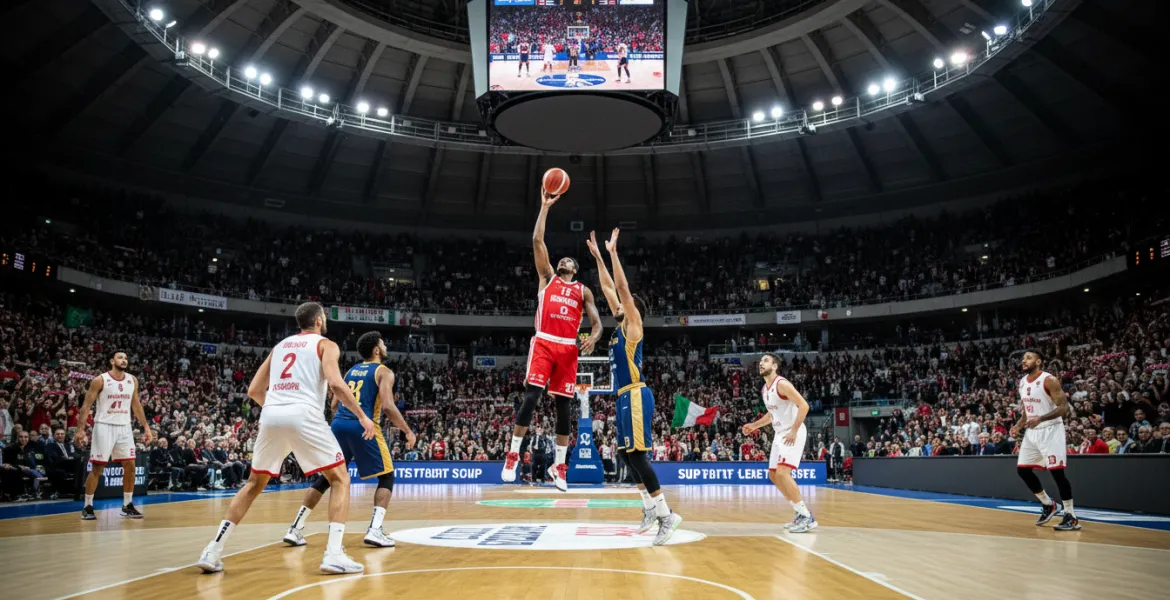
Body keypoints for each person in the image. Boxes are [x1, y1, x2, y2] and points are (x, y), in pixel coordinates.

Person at [196, 302, 378, 575]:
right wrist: (363, 416)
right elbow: (337, 384)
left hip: (271, 413)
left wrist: (278, 407)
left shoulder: (280, 346)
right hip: (303, 413)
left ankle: (212, 550)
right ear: (318, 320)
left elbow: (254, 390)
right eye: (324, 317)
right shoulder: (326, 344)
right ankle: (333, 554)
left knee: (253, 484)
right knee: (340, 478)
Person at [501, 186, 603, 491]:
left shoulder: (582, 290)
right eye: (564, 259)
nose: (566, 261)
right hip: (544, 342)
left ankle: (560, 467)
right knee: (531, 397)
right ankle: (513, 454)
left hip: (568, 350)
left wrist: (594, 338)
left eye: (571, 260)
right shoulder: (547, 278)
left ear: (576, 269)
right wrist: (544, 207)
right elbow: (537, 240)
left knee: (563, 407)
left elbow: (597, 323)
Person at [586, 228, 682, 545]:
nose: (616, 301)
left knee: (639, 457)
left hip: (638, 394)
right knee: (627, 458)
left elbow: (622, 288)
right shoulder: (618, 327)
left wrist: (613, 253)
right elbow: (608, 286)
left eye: (623, 303)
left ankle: (667, 515)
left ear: (631, 308)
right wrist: (599, 257)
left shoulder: (633, 326)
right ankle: (649, 509)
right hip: (623, 397)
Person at [283, 331, 416, 549]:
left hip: (339, 425)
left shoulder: (352, 371)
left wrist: (342, 423)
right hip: (364, 426)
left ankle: (295, 528)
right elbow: (388, 406)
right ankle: (375, 530)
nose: (385, 346)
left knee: (327, 477)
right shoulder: (384, 372)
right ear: (376, 350)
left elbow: (334, 403)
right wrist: (407, 431)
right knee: (387, 476)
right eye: (382, 343)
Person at [743, 353, 817, 533]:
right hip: (779, 433)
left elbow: (804, 405)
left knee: (783, 473)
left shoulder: (782, 384)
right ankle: (799, 513)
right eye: (760, 361)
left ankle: (807, 517)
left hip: (793, 431)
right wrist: (754, 426)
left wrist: (794, 430)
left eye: (766, 361)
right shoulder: (764, 389)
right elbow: (772, 414)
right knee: (774, 475)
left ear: (775, 366)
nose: (761, 363)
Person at [75, 350, 152, 520]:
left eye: (126, 357)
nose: (124, 360)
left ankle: (127, 504)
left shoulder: (133, 380)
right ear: (112, 361)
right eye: (120, 357)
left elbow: (137, 405)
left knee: (130, 465)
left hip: (124, 427)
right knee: (97, 467)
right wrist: (80, 429)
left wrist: (146, 426)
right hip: (104, 425)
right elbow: (86, 406)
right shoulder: (100, 380)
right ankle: (87, 506)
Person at [1011, 350, 1079, 531]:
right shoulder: (1023, 382)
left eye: (1029, 357)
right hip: (1032, 431)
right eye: (1023, 358)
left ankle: (1070, 516)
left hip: (1051, 429)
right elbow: (1027, 409)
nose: (1024, 361)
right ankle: (1049, 504)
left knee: (1057, 473)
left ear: (1039, 361)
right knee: (1023, 471)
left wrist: (1040, 418)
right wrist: (1018, 425)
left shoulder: (1050, 380)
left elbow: (1064, 408)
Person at [44, 428, 79, 496]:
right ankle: (63, 492)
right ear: (54, 436)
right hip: (56, 467)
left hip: (69, 466)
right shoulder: (50, 446)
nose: (60, 435)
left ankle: (78, 491)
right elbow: (53, 457)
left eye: (62, 434)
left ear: (65, 435)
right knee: (61, 472)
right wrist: (65, 458)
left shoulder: (68, 445)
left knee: (80, 469)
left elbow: (73, 454)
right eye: (58, 434)